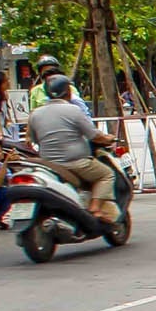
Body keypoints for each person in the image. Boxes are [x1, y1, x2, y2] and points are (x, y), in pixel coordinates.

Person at [28, 73, 120, 223]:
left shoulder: (35, 114)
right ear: (68, 91)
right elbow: (94, 136)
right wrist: (108, 138)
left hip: (49, 165)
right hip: (76, 163)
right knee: (106, 174)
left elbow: (35, 139)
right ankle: (95, 208)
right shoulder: (73, 110)